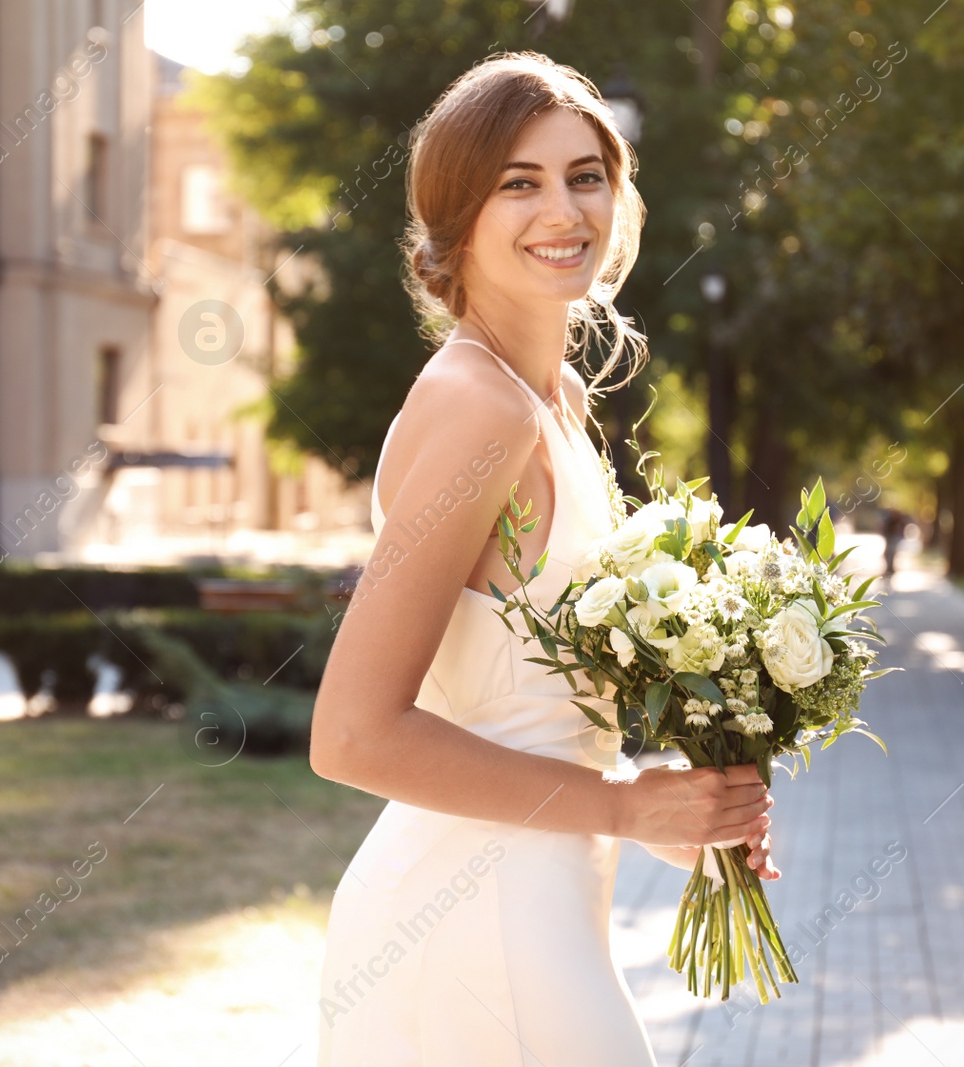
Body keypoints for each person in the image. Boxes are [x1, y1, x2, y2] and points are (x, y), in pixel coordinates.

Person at [309, 52, 776, 1066]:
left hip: (549, 894)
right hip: (467, 918)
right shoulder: (480, 407)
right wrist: (618, 801)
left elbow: (541, 697)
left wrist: (680, 797)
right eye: (517, 182)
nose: (562, 209)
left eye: (585, 174)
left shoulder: (552, 398)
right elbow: (350, 733)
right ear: (455, 217)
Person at [881, 506, 907, 578]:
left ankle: (890, 568)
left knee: (891, 553)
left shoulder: (898, 520)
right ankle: (889, 568)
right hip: (890, 538)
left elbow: (902, 528)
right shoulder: (889, 520)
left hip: (894, 539)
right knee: (888, 553)